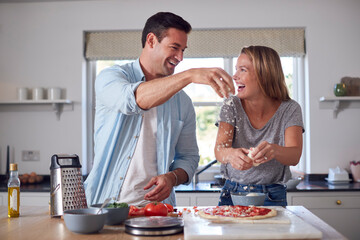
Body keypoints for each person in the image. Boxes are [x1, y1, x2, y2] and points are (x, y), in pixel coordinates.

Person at [84, 12, 235, 206]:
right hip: (104, 207)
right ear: (151, 40)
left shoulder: (183, 102)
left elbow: (188, 157)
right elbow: (133, 100)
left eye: (183, 50)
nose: (180, 57)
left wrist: (172, 178)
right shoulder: (111, 77)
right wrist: (189, 76)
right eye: (174, 47)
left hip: (159, 212)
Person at [214, 45, 304, 206]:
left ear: (264, 74)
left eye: (243, 70)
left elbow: (294, 155)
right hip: (232, 194)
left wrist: (273, 150)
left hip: (273, 195)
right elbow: (220, 150)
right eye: (236, 69)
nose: (234, 76)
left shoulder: (290, 109)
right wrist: (231, 155)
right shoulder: (231, 105)